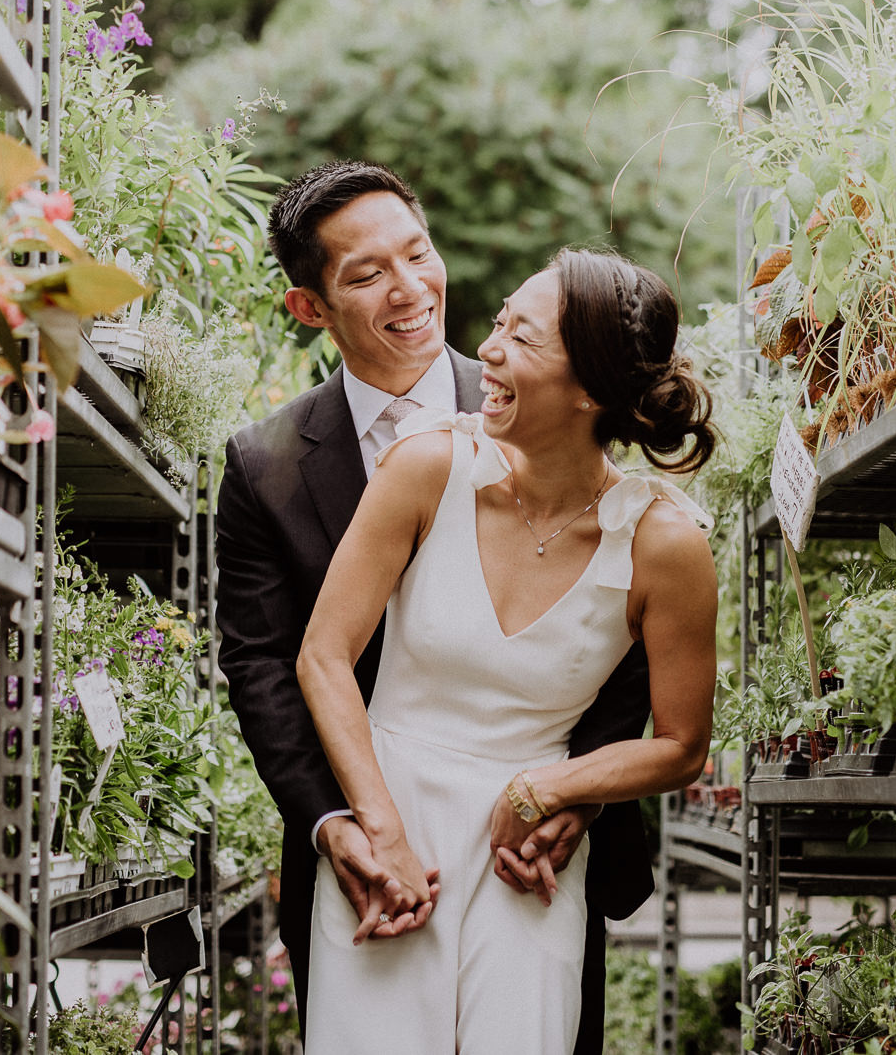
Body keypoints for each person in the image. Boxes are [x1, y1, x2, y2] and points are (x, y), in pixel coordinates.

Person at [215, 164, 664, 1052]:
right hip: (367, 849)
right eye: (366, 274)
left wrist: (578, 795)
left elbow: (622, 629)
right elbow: (261, 664)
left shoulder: (543, 399)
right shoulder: (264, 466)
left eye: (417, 253)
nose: (410, 287)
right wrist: (335, 823)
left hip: (529, 846)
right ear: (310, 308)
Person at [295, 246, 719, 1052]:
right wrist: (379, 831)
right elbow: (323, 656)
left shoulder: (665, 543)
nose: (485, 350)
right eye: (498, 324)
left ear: (589, 388)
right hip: (390, 824)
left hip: (528, 856)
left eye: (520, 339)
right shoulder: (426, 467)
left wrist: (552, 789)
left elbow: (680, 745)